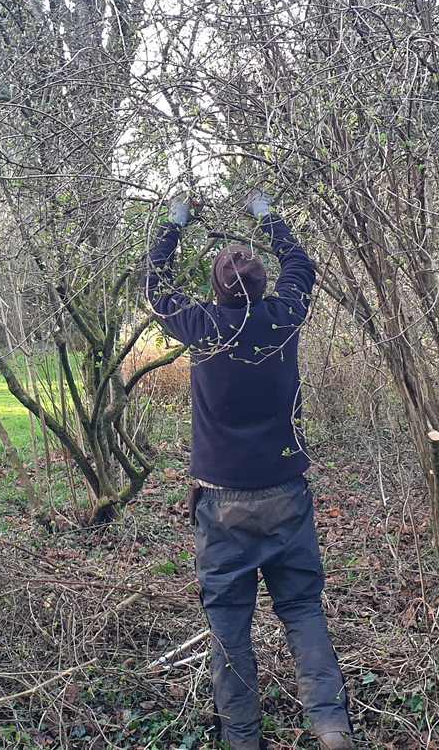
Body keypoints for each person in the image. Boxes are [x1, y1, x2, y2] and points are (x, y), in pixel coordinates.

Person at [143, 188, 354, 750]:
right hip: (286, 494)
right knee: (303, 612)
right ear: (264, 286)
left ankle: (242, 740)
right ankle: (331, 728)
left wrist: (174, 223)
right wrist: (268, 216)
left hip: (221, 505)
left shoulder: (204, 326)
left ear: (217, 290)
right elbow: (303, 265)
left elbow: (154, 286)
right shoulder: (283, 317)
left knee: (230, 630)